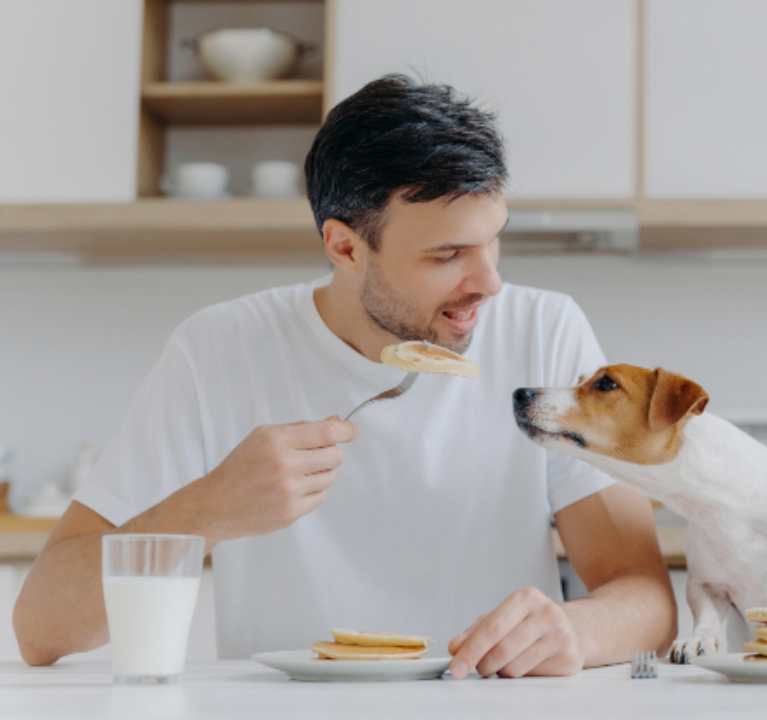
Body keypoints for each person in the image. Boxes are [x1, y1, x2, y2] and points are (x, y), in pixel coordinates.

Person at [13, 74, 676, 679]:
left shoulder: (544, 332)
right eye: (447, 255)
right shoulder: (220, 350)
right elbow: (42, 628)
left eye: (492, 240)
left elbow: (645, 596)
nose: (488, 283)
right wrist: (209, 509)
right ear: (345, 246)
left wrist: (574, 631)